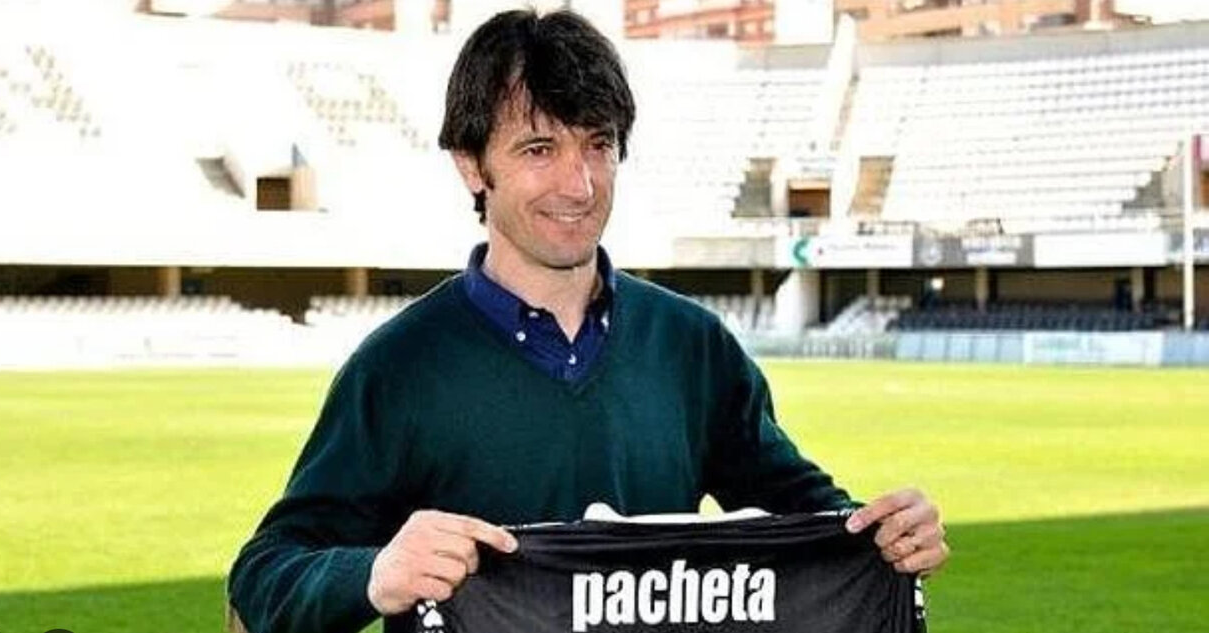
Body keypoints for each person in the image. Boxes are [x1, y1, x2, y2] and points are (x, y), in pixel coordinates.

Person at [228, 9, 948, 633]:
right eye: (540, 149)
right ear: (472, 165)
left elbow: (816, 520)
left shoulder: (692, 347)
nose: (580, 184)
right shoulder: (400, 368)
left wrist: (886, 530)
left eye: (598, 144)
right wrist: (373, 572)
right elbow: (259, 584)